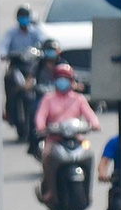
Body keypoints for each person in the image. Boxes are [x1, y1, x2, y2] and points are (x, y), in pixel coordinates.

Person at [32, 63, 99, 201]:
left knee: (89, 153)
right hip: (54, 140)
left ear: (71, 81)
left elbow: (90, 114)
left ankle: (87, 191)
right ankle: (50, 190)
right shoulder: (48, 99)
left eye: (66, 78)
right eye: (60, 78)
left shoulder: (78, 99)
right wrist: (41, 127)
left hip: (76, 138)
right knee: (46, 154)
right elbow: (40, 116)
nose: (62, 81)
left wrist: (95, 124)